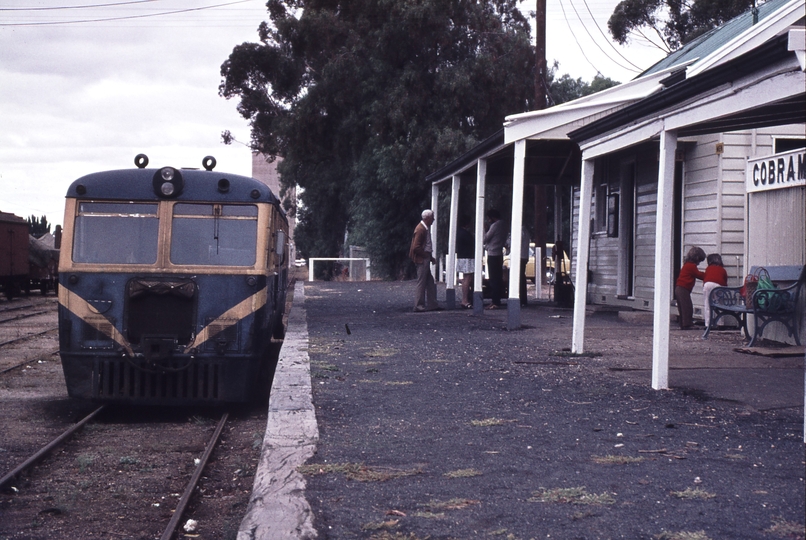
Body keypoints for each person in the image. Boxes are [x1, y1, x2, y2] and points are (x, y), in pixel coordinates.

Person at [409, 209, 440, 312]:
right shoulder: (421, 229)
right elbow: (416, 247)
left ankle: (432, 304)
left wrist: (429, 257)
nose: (433, 220)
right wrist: (426, 256)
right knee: (422, 282)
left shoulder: (423, 228)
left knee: (429, 282)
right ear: (428, 218)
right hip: (422, 259)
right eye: (432, 218)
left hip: (423, 258)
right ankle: (418, 305)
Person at [675, 246, 706, 329]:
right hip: (683, 288)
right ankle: (687, 324)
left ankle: (683, 324)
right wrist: (709, 274)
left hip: (679, 288)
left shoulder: (686, 265)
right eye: (699, 260)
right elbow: (699, 275)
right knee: (687, 307)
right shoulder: (691, 266)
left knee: (682, 307)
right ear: (696, 258)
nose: (699, 263)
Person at [483, 208, 507, 309]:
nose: (488, 220)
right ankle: (497, 300)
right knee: (498, 277)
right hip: (499, 253)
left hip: (492, 253)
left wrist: (484, 229)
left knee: (493, 278)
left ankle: (495, 301)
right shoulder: (504, 225)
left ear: (492, 217)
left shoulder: (495, 226)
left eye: (489, 218)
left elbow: (485, 238)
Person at [702, 253, 728, 329]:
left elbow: (705, 278)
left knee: (707, 304)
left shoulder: (708, 268)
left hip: (707, 284)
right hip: (718, 286)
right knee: (719, 304)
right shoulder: (723, 270)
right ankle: (720, 323)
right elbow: (725, 282)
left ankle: (707, 324)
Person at [456, 216, 475, 309]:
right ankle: (465, 300)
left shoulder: (459, 233)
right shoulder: (466, 234)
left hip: (462, 257)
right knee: (467, 278)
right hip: (467, 258)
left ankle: (465, 299)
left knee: (466, 278)